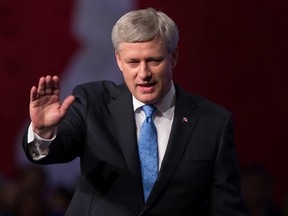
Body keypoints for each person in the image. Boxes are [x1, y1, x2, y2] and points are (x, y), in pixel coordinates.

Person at [22, 7, 249, 215]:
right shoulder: (92, 102)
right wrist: (43, 132)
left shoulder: (213, 122)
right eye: (133, 62)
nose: (144, 73)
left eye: (153, 60)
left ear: (174, 57)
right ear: (119, 61)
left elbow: (226, 207)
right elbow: (55, 150)